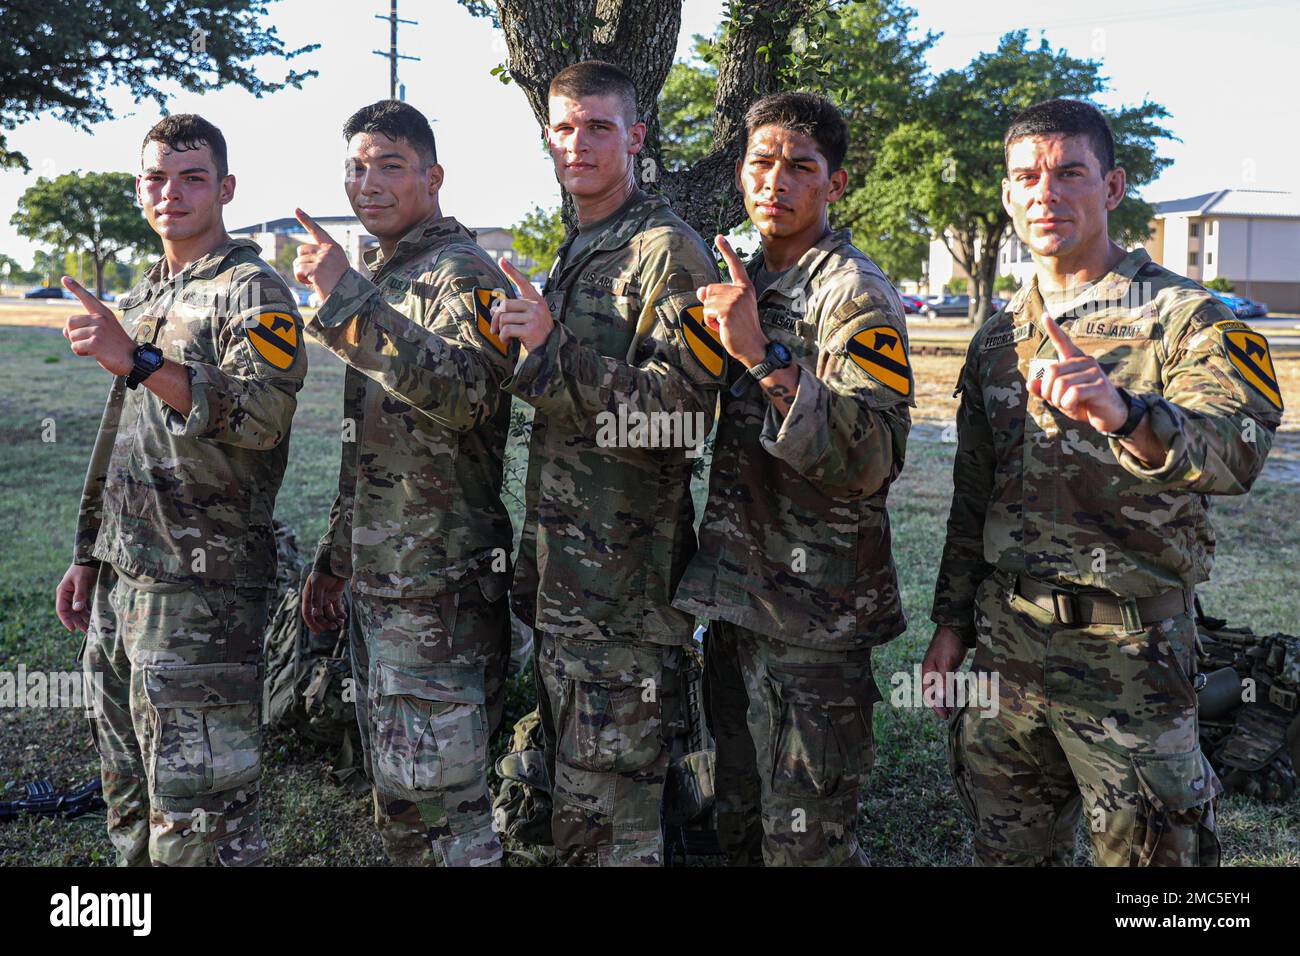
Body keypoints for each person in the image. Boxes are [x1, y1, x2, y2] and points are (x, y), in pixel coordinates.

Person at [923, 98, 1283, 866]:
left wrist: (1127, 415)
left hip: (1133, 655)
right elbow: (973, 498)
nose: (1045, 194)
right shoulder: (999, 337)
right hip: (1008, 646)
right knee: (1008, 851)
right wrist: (952, 622)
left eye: (1069, 174)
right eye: (1026, 177)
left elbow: (1239, 449)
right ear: (1009, 194)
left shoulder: (1186, 317)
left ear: (1113, 187)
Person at [55, 114, 306, 866]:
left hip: (202, 592)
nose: (172, 193)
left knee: (201, 819)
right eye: (157, 178)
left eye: (192, 177)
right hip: (123, 578)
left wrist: (136, 358)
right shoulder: (146, 293)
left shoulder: (252, 289)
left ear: (224, 188)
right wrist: (86, 555)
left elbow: (263, 417)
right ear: (140, 189)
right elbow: (121, 437)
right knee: (129, 792)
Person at [490, 60, 722, 866]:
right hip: (570, 583)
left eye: (598, 126)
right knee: (582, 805)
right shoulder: (583, 242)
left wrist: (552, 350)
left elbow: (681, 415)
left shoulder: (668, 253)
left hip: (624, 598)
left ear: (636, 136)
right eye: (564, 127)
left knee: (610, 826)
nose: (578, 143)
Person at [673, 92, 912, 866]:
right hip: (741, 599)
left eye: (800, 168)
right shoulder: (743, 278)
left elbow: (872, 459)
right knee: (736, 815)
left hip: (817, 619)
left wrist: (763, 358)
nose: (775, 182)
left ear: (835, 184)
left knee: (804, 836)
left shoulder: (855, 294)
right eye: (761, 163)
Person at [293, 100, 515, 866]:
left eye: (389, 165)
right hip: (382, 581)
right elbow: (368, 451)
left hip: (440, 585)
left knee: (447, 806)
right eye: (356, 167)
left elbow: (469, 396)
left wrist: (345, 299)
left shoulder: (465, 274)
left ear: (433, 176)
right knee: (403, 799)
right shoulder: (391, 274)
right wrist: (334, 557)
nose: (368, 183)